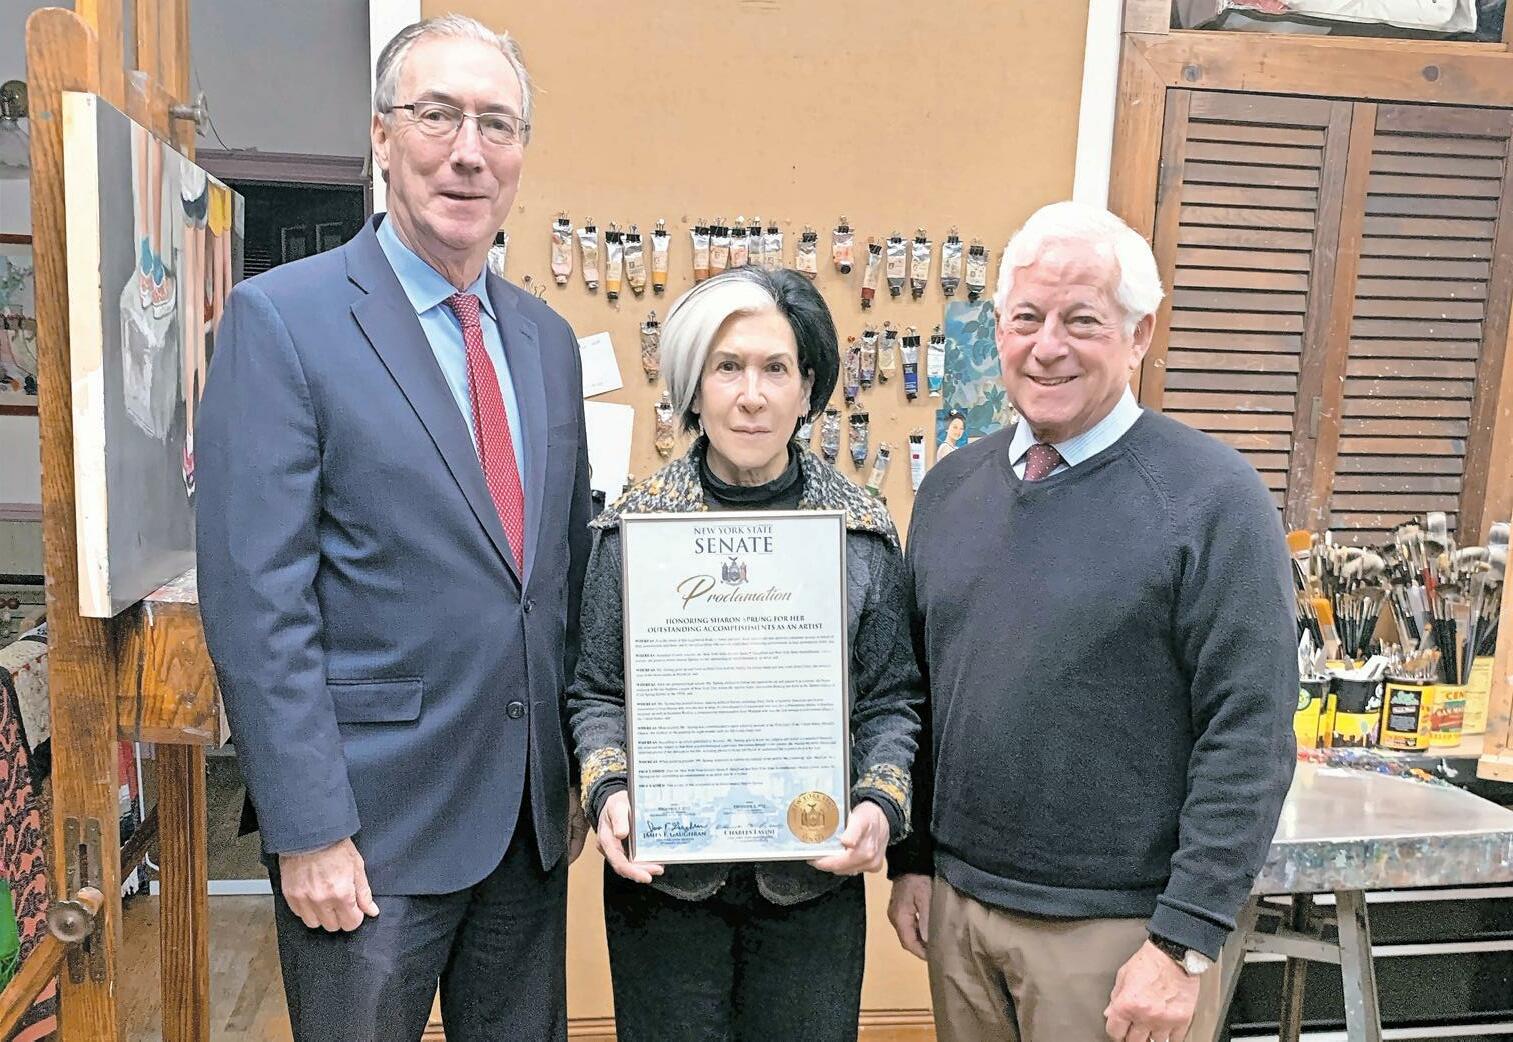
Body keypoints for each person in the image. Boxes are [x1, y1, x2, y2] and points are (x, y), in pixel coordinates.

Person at [195, 15, 591, 1041]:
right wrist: (307, 825)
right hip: (367, 835)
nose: (468, 151)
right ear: (381, 135)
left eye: (496, 124)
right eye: (437, 115)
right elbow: (257, 603)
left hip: (526, 825)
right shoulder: (281, 322)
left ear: (520, 152)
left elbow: (557, 578)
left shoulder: (546, 343)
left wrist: (580, 776)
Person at [886, 201, 1297, 1042]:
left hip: (1120, 933)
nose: (1048, 347)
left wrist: (1181, 942)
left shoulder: (1212, 500)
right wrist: (913, 859)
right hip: (960, 911)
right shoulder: (948, 490)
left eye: (1081, 321)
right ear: (997, 329)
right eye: (1026, 318)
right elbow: (919, 691)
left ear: (1139, 334)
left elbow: (1249, 733)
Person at [567, 266, 923, 1042]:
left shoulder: (861, 532)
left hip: (811, 883)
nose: (751, 395)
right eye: (727, 367)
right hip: (664, 887)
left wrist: (877, 803)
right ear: (694, 389)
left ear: (807, 389)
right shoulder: (630, 530)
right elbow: (596, 692)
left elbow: (890, 699)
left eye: (775, 368)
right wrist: (609, 790)